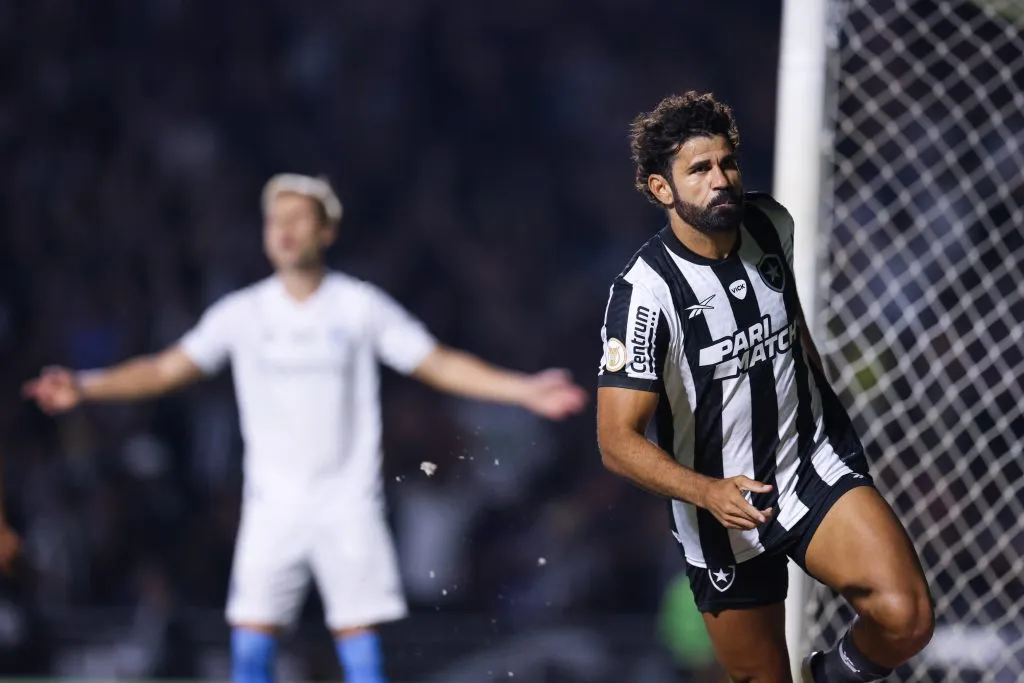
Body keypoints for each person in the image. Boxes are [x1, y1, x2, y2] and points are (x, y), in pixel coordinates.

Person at [23, 173, 588, 683]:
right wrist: (86, 385)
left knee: (361, 652)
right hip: (272, 507)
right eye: (276, 220)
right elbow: (167, 367)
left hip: (347, 506)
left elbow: (436, 362)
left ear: (326, 232)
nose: (285, 231)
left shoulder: (358, 308)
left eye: (298, 220)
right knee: (251, 649)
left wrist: (523, 389)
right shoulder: (242, 314)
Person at [595, 92, 934, 683]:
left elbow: (792, 326)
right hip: (720, 511)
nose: (720, 180)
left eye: (726, 163)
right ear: (660, 190)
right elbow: (615, 441)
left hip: (808, 465)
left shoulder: (770, 222)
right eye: (699, 170)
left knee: (906, 620)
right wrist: (706, 492)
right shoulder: (644, 295)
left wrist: (828, 421)